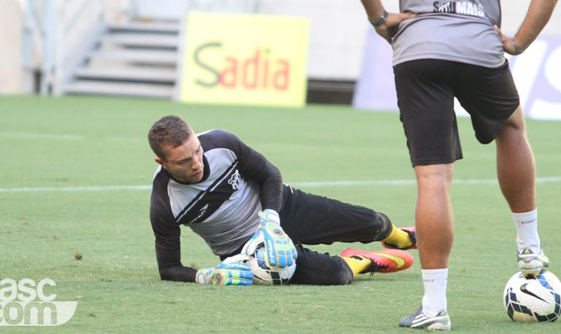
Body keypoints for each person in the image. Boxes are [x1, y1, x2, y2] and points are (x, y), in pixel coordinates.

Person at [345, 0, 561, 330]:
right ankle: (530, 251)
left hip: (417, 47)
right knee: (511, 127)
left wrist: (380, 18)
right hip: (478, 42)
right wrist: (518, 40)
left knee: (434, 177)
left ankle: (434, 309)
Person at [147, 114, 416, 286]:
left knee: (371, 222)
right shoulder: (164, 201)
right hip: (246, 248)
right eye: (184, 160)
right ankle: (362, 260)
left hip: (278, 208)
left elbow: (269, 175)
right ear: (163, 162)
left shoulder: (222, 143)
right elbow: (169, 267)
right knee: (336, 275)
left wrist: (271, 220)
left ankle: (397, 236)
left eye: (197, 150)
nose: (197, 163)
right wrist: (203, 276)